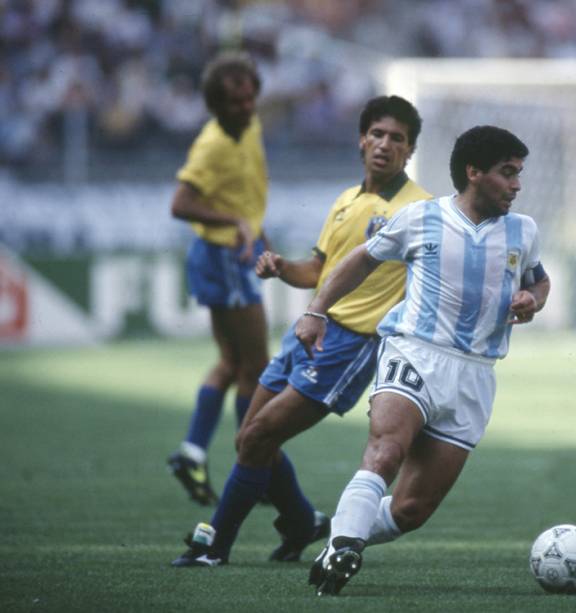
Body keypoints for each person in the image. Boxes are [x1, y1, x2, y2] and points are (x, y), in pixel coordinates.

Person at [171, 95, 432, 566]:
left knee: (258, 437)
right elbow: (318, 269)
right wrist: (279, 266)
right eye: (377, 134)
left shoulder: (420, 211)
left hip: (350, 344)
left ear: (410, 150)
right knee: (249, 437)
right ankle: (300, 521)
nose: (385, 145)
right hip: (308, 329)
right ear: (361, 139)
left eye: (397, 138)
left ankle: (215, 545)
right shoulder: (345, 201)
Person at [299, 125, 551, 596]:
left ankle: (339, 539)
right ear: (474, 173)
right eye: (508, 173)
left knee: (411, 510)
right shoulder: (421, 219)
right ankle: (346, 548)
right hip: (414, 351)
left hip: (475, 374)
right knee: (386, 450)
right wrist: (316, 311)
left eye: (519, 173)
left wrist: (531, 300)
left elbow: (540, 281)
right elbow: (359, 261)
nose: (517, 184)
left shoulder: (524, 231)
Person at [166, 52, 271, 506]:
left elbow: (248, 191)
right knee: (256, 366)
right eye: (234, 101)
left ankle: (192, 450)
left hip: (230, 251)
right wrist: (236, 221)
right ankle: (253, 464)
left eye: (250, 96)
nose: (246, 106)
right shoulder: (211, 145)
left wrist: (255, 224)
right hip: (223, 255)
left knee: (231, 361)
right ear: (215, 105)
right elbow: (180, 203)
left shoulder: (249, 126)